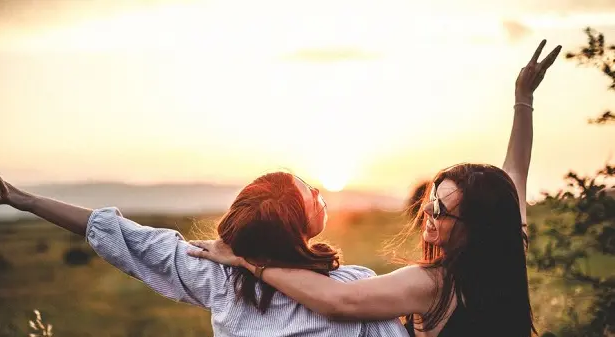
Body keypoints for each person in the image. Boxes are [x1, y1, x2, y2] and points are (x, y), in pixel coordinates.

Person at [187, 40, 563, 337]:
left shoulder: (435, 282)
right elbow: (515, 172)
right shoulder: (506, 249)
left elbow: (339, 301)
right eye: (433, 200)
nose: (427, 215)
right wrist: (523, 99)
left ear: (477, 226)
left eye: (442, 212)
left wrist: (249, 260)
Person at [0, 166, 408, 337]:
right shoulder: (354, 290)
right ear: (293, 228)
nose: (320, 192)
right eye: (310, 194)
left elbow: (123, 235)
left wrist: (32, 202)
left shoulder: (220, 279)